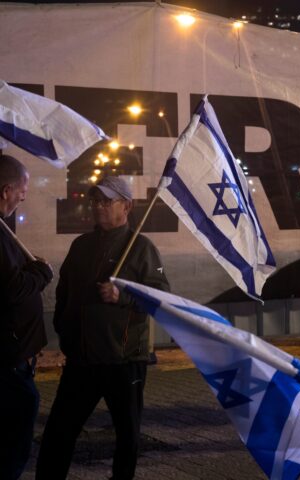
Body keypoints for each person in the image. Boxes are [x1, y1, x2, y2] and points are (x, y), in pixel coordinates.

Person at [36, 176, 170, 480]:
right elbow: (64, 291)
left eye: (106, 201)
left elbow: (161, 298)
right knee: (58, 432)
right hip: (82, 361)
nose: (98, 207)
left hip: (124, 361)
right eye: (95, 201)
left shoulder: (141, 249)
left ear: (127, 206)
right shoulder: (81, 245)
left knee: (127, 436)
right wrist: (65, 330)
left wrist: (122, 297)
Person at [0, 155, 53, 480]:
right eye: (23, 189)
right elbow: (12, 288)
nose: (24, 195)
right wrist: (41, 273)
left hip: (13, 358)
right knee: (11, 445)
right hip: (7, 363)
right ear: (6, 190)